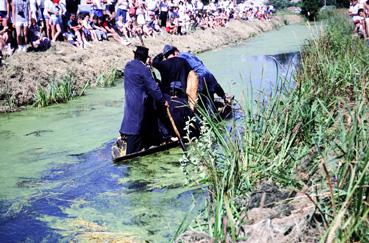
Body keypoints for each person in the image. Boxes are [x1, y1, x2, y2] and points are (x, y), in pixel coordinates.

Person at [119, 46, 168, 155]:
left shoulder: (128, 66)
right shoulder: (143, 69)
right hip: (140, 102)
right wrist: (162, 100)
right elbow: (153, 88)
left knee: (134, 121)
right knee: (136, 126)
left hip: (130, 101)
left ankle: (149, 140)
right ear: (145, 58)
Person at [152, 44, 199, 136]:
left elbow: (154, 62)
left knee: (171, 113)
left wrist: (161, 55)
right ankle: (193, 129)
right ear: (174, 52)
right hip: (182, 93)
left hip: (169, 96)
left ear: (165, 56)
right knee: (187, 113)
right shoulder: (183, 61)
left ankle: (172, 133)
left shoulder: (162, 64)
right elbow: (191, 75)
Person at [168, 45, 228, 112]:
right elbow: (200, 62)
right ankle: (225, 99)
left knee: (202, 95)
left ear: (175, 52)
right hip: (206, 71)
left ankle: (205, 113)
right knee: (213, 89)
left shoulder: (178, 58)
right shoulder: (188, 54)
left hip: (199, 76)